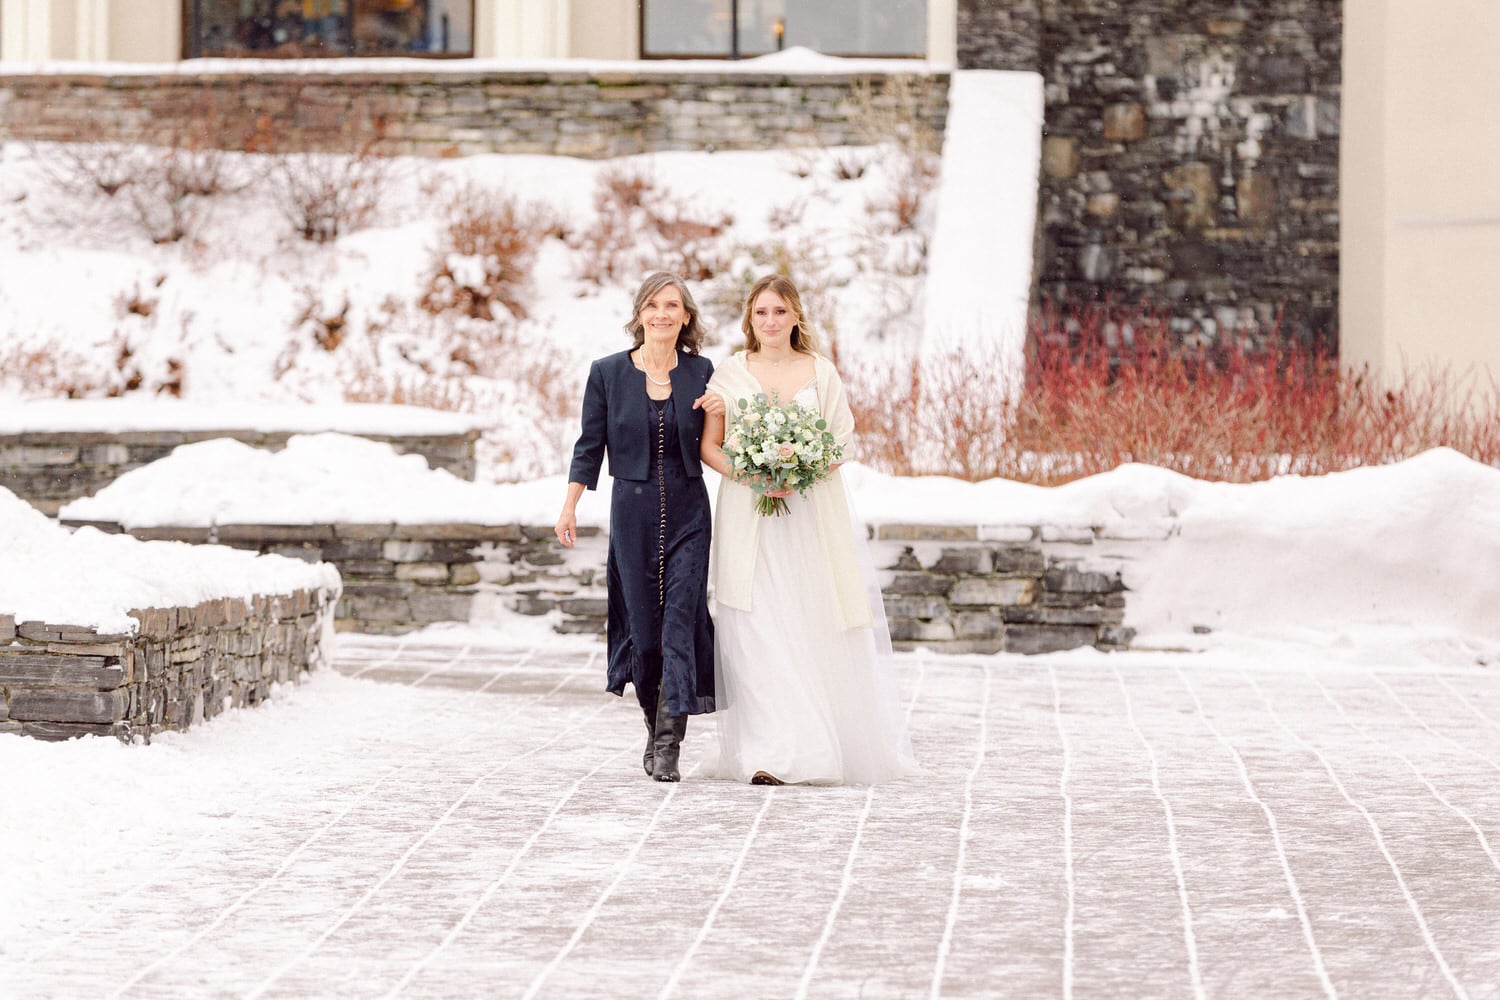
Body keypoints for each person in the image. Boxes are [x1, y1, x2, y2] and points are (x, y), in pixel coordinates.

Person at [698, 274, 919, 786]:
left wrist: (799, 472)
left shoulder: (821, 372)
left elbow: (844, 442)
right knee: (754, 625)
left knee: (806, 620)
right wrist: (755, 475)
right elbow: (710, 448)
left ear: (796, 316)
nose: (770, 322)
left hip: (809, 515)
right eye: (760, 313)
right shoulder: (730, 373)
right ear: (749, 320)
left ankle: (814, 747)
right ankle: (766, 752)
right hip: (749, 516)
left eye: (779, 311)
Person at [556, 272, 722, 783]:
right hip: (631, 513)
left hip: (690, 511)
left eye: (672, 305)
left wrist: (728, 417)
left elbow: (715, 442)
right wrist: (570, 506)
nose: (662, 314)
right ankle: (654, 727)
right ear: (640, 314)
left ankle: (669, 745)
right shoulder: (607, 373)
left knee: (678, 623)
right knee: (645, 634)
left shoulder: (703, 372)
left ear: (686, 317)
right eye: (653, 304)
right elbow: (589, 446)